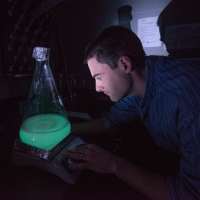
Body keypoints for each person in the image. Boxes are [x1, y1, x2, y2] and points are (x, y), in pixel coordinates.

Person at [62, 25, 200, 200]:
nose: (97, 88)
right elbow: (109, 122)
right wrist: (66, 129)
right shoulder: (139, 82)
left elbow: (189, 193)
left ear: (125, 64)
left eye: (99, 77)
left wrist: (112, 164)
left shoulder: (188, 104)